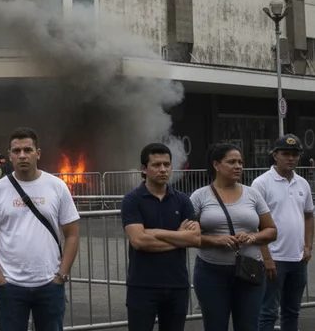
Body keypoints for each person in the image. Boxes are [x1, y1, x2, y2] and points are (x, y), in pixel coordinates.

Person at [0, 127, 80, 331]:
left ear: (38, 153)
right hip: (11, 287)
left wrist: (61, 276)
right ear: (10, 155)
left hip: (50, 285)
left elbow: (72, 235)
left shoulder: (57, 187)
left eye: (27, 150)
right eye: (16, 151)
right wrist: (0, 280)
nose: (22, 155)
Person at [190, 143, 277, 331]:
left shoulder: (252, 194)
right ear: (216, 165)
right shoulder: (199, 196)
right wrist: (215, 240)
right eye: (232, 162)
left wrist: (253, 237)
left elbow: (271, 230)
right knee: (215, 326)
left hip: (249, 271)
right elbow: (187, 236)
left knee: (248, 326)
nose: (238, 166)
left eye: (240, 162)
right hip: (211, 273)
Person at [121, 143, 202, 331]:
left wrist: (154, 232)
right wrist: (179, 237)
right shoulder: (132, 200)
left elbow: (195, 239)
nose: (163, 169)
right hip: (142, 286)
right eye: (156, 165)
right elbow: (139, 241)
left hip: (177, 286)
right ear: (144, 169)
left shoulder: (182, 200)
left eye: (167, 164)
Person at [253, 134, 314, 331]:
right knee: (268, 311)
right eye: (285, 153)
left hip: (298, 259)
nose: (290, 158)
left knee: (292, 311)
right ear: (275, 155)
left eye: (295, 154)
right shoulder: (261, 183)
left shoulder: (302, 183)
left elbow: (308, 216)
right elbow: (255, 224)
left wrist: (308, 246)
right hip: (274, 258)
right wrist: (266, 257)